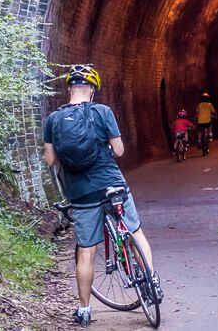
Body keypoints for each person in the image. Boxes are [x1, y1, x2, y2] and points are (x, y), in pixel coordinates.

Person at [42, 64, 162, 327]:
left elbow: (50, 160)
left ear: (69, 88)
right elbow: (118, 151)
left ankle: (84, 310)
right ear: (92, 89)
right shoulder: (102, 112)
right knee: (135, 233)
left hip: (81, 193)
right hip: (111, 185)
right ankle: (151, 282)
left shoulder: (53, 120)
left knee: (86, 251)